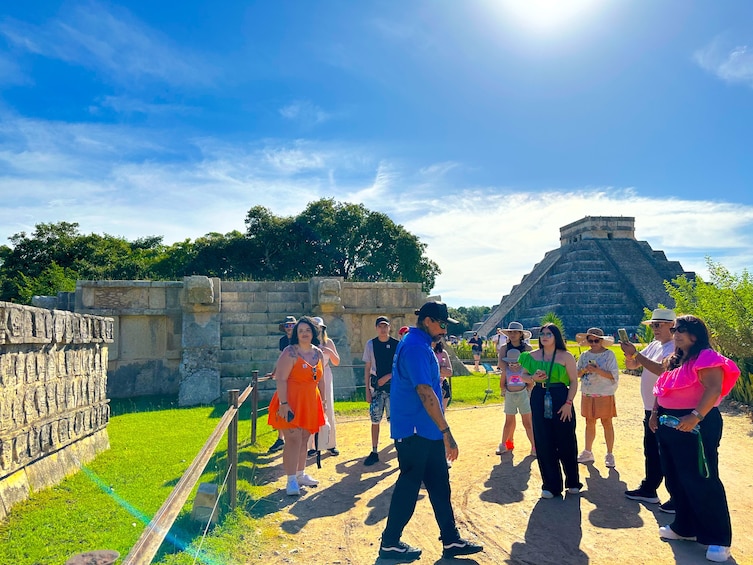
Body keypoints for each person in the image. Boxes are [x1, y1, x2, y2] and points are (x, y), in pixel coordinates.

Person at [379, 301, 483, 561]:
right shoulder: (415, 347)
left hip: (423, 429)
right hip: (416, 430)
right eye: (443, 324)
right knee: (410, 484)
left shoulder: (419, 344)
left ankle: (450, 540)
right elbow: (425, 392)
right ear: (428, 321)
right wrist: (447, 431)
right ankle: (390, 543)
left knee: (438, 485)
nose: (445, 330)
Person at [649, 315, 740, 563]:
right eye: (675, 329)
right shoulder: (675, 360)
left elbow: (713, 388)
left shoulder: (707, 357)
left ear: (696, 335)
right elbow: (662, 389)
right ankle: (684, 527)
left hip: (696, 423)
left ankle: (718, 539)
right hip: (669, 423)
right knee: (676, 477)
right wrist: (656, 413)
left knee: (701, 477)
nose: (676, 333)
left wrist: (696, 416)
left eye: (682, 330)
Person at [620, 308, 677, 512]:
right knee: (651, 450)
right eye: (653, 325)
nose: (654, 329)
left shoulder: (676, 347)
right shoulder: (654, 344)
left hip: (666, 407)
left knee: (668, 453)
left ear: (672, 325)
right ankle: (649, 488)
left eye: (658, 325)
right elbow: (635, 365)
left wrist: (636, 354)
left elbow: (662, 370)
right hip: (650, 407)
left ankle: (676, 497)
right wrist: (629, 356)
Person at [518, 323, 581, 499]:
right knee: (544, 440)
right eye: (542, 334)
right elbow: (523, 376)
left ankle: (573, 481)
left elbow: (574, 381)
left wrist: (568, 403)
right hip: (539, 395)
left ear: (556, 337)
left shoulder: (566, 356)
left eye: (549, 334)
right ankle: (551, 484)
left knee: (566, 439)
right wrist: (532, 378)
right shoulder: (531, 356)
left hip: (560, 395)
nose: (544, 336)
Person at [267, 317, 326, 496]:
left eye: (307, 330)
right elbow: (281, 379)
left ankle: (301, 474)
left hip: (310, 400)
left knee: (304, 438)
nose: (304, 333)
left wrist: (322, 402)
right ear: (296, 334)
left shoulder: (318, 353)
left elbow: (320, 379)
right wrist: (284, 404)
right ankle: (291, 479)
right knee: (292, 440)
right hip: (291, 400)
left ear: (313, 332)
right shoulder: (289, 352)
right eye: (300, 331)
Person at [575, 328, 619, 467]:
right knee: (589, 422)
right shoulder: (584, 355)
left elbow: (613, 375)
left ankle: (610, 453)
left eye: (596, 340)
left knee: (607, 423)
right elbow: (577, 374)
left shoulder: (609, 355)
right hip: (588, 392)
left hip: (604, 393)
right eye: (591, 340)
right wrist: (584, 370)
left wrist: (597, 370)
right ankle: (588, 451)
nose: (593, 343)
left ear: (602, 341)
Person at [363, 316, 399, 466]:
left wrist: (388, 376)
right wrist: (367, 390)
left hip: (393, 387)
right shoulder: (371, 344)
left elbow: (401, 366)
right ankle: (374, 450)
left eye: (385, 326)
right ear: (377, 328)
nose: (383, 329)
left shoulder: (397, 344)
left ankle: (399, 448)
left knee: (395, 421)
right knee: (375, 420)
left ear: (389, 327)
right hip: (377, 388)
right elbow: (367, 367)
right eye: (380, 326)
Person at [496, 322, 534, 455]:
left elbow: (532, 365)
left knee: (527, 420)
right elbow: (500, 363)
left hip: (524, 386)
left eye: (515, 332)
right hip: (510, 383)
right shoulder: (504, 348)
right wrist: (510, 367)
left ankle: (533, 446)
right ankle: (507, 443)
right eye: (510, 332)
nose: (512, 335)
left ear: (520, 334)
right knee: (509, 420)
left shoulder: (528, 348)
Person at [307, 316, 341, 456]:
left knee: (328, 409)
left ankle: (330, 443)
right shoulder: (309, 343)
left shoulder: (329, 342)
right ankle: (312, 445)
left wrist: (328, 351)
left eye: (320, 328)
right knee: (311, 408)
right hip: (311, 375)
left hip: (325, 373)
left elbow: (337, 361)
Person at [267, 315, 297, 454]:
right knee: (278, 407)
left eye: (291, 325)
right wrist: (274, 372)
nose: (289, 327)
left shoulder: (300, 339)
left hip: (297, 378)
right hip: (285, 377)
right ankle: (281, 438)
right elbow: (281, 359)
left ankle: (296, 440)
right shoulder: (283, 341)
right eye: (287, 325)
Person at [434, 340, 452, 411]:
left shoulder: (443, 353)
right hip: (431, 385)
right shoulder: (426, 353)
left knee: (442, 412)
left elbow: (450, 372)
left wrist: (440, 369)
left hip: (443, 384)